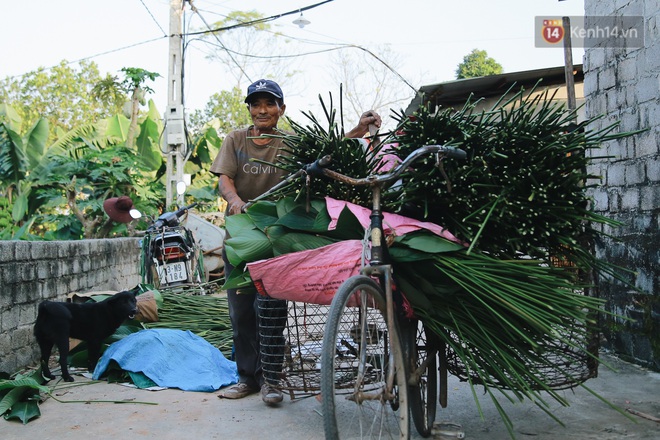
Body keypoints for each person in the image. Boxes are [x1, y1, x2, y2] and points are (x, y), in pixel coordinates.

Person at [210, 79, 381, 405]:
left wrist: (359, 128)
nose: (262, 110)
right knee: (241, 313)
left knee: (271, 309)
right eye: (256, 104)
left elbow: (329, 152)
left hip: (275, 237)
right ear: (249, 108)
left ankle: (271, 381)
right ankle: (247, 377)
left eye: (269, 104)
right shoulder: (235, 139)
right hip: (240, 237)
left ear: (281, 109)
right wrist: (233, 200)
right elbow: (224, 179)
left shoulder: (291, 142)